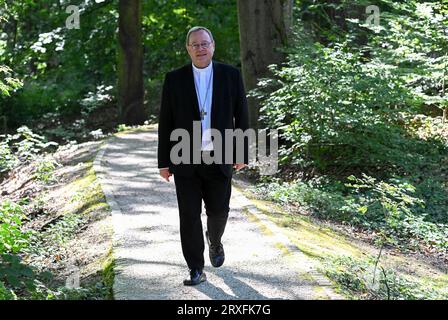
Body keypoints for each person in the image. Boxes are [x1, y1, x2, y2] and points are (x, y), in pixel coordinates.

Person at [157, 26, 249, 286]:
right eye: (195, 45)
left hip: (219, 156)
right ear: (188, 49)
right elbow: (166, 121)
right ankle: (195, 268)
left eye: (204, 43)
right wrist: (164, 161)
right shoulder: (174, 79)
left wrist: (241, 151)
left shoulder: (231, 75)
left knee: (219, 210)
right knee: (188, 214)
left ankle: (215, 241)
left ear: (213, 46)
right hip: (184, 157)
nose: (200, 48)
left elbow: (241, 114)